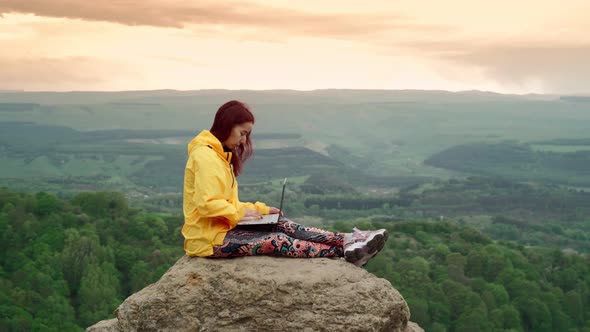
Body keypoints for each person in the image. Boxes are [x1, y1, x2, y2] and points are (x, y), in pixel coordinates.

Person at [182, 100, 388, 267]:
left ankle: (347, 239)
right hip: (207, 240)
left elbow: (225, 203)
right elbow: (207, 204)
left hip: (222, 230)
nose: (244, 141)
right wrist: (241, 213)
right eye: (242, 133)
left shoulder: (219, 156)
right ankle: (347, 252)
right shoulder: (205, 157)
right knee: (276, 240)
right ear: (227, 124)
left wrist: (259, 210)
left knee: (280, 223)